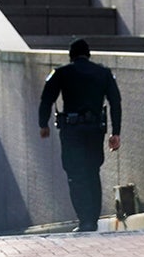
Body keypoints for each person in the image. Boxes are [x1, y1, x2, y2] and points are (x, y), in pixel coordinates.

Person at [37, 38, 121, 232]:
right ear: (88, 54)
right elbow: (115, 102)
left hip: (72, 131)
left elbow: (46, 99)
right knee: (92, 172)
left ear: (71, 55)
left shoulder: (61, 73)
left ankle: (85, 220)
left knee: (76, 174)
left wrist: (43, 124)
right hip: (94, 131)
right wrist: (116, 132)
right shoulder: (104, 73)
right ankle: (92, 219)